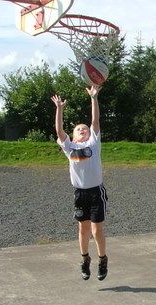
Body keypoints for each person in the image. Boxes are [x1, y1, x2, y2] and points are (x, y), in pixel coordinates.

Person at [51, 86, 109, 281]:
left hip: (95, 192)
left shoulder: (93, 142)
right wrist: (59, 109)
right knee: (83, 229)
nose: (82, 130)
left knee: (96, 229)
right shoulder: (70, 147)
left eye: (84, 128)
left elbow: (95, 121)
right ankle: (85, 260)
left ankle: (102, 260)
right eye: (78, 129)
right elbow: (59, 130)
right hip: (80, 193)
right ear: (73, 136)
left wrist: (94, 98)